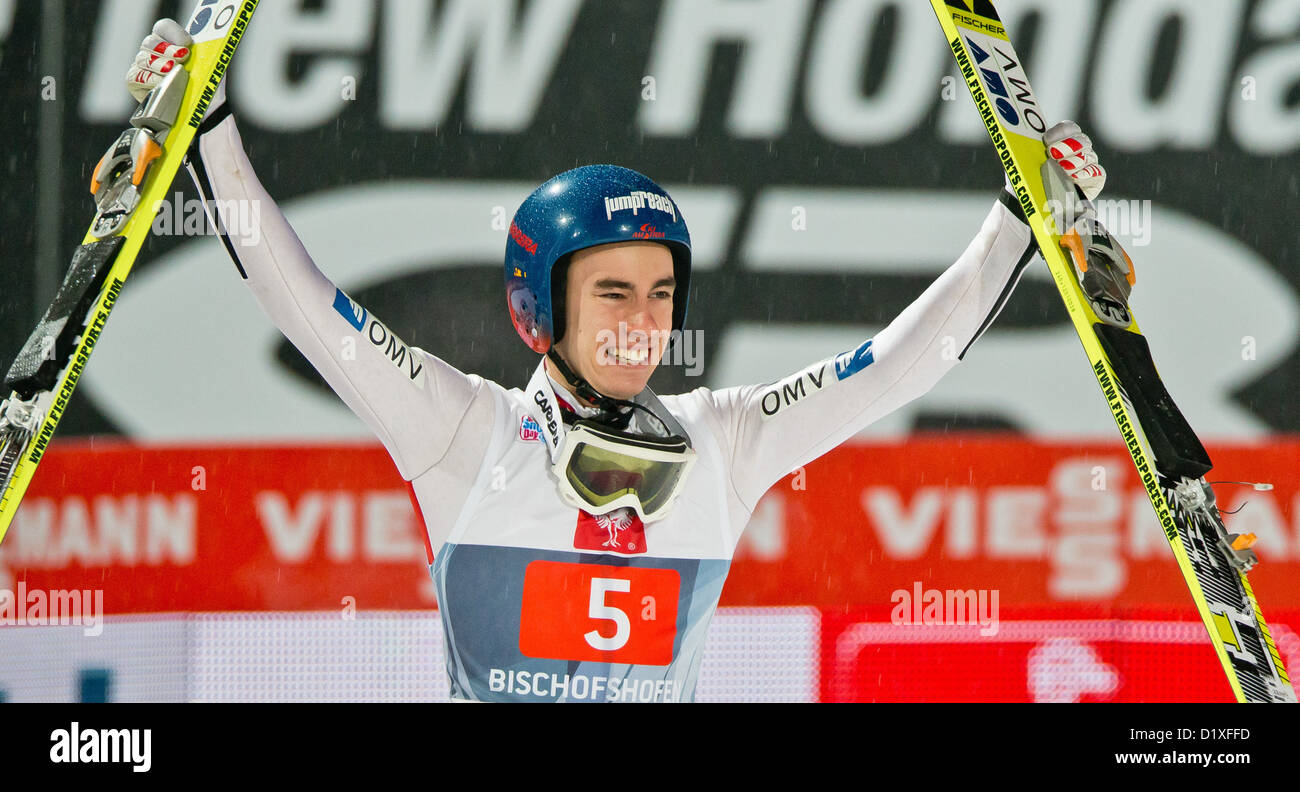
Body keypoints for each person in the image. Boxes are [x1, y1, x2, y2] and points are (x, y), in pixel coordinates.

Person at [128, 19, 1107, 702]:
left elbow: (898, 367)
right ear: (534, 311)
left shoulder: (722, 441)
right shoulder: (466, 430)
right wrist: (206, 135)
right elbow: (304, 306)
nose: (644, 321)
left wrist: (1014, 226)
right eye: (611, 293)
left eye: (661, 293)